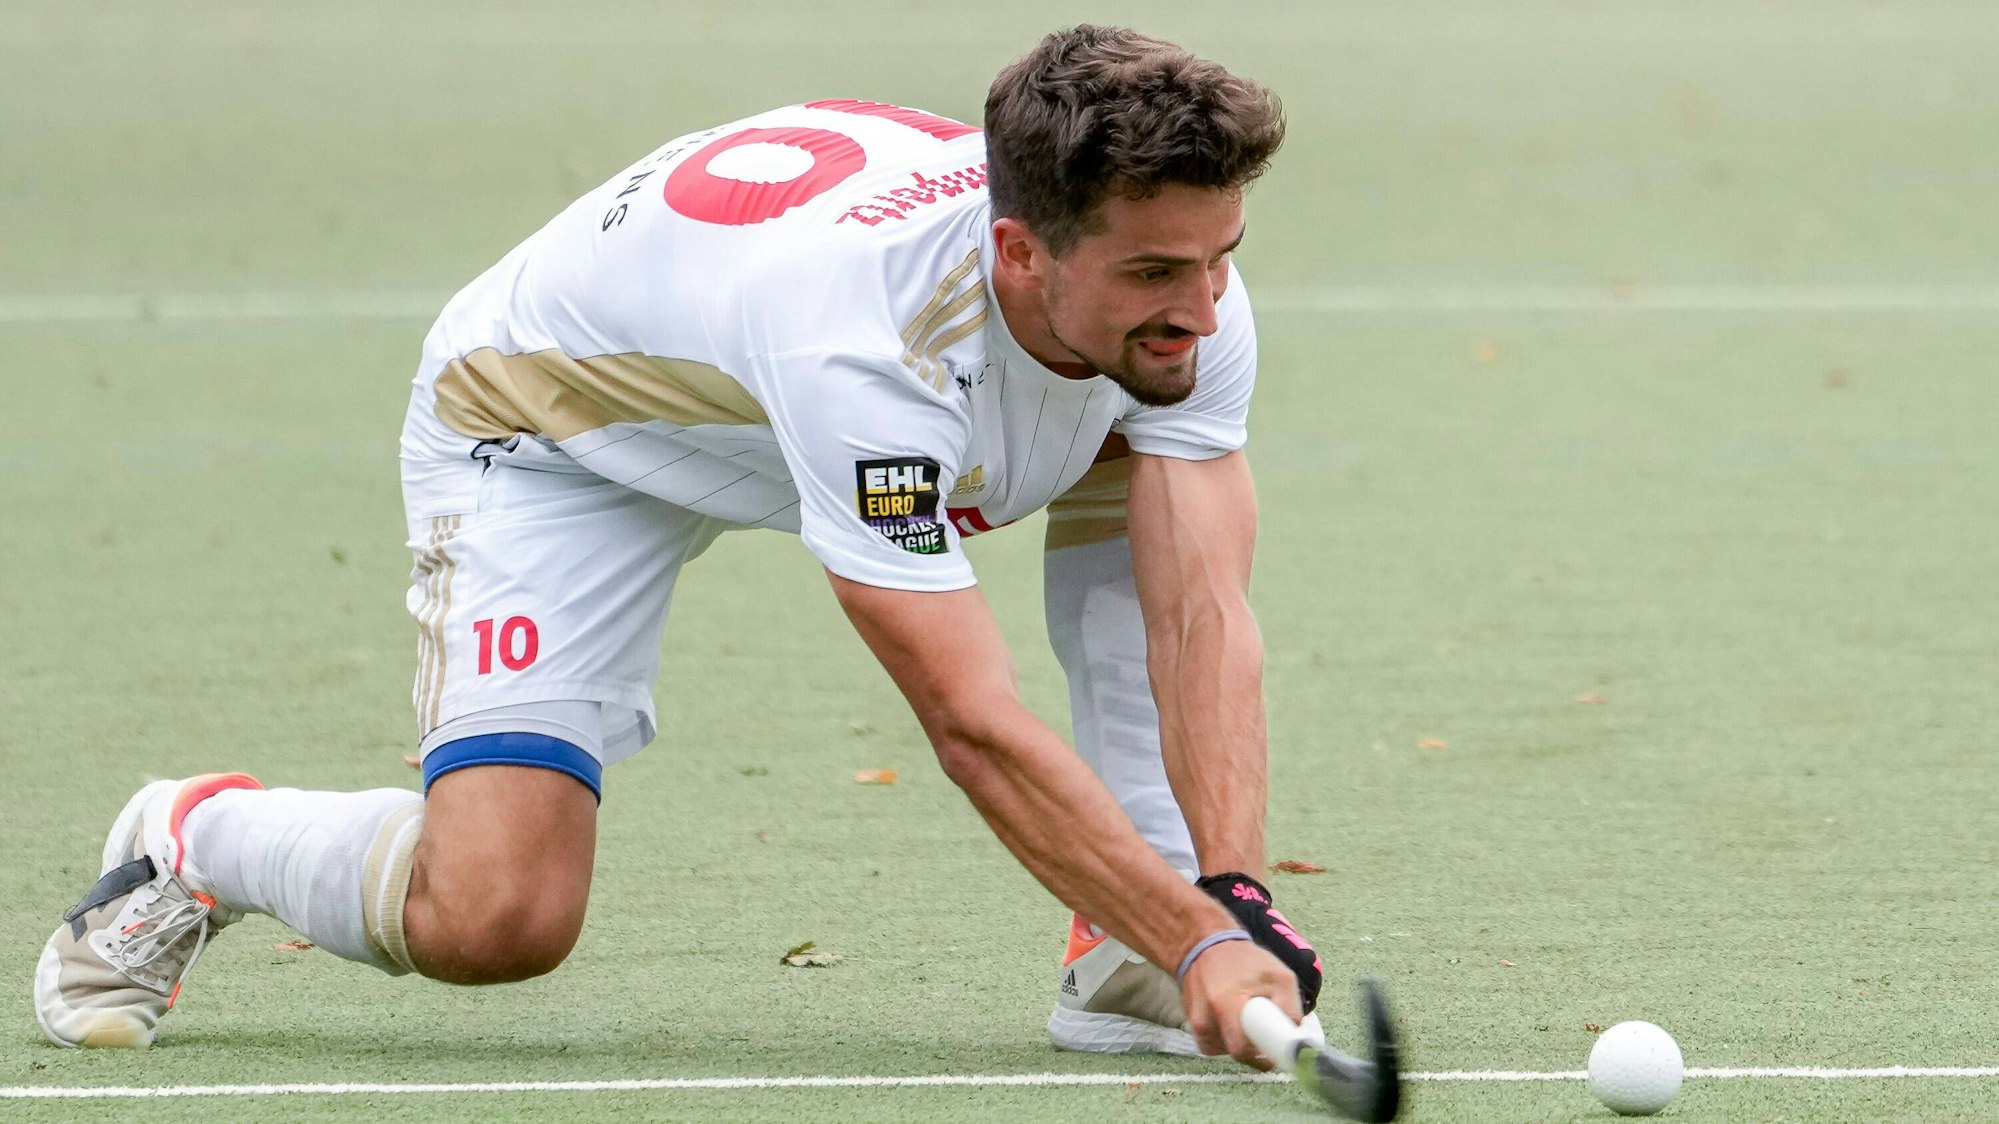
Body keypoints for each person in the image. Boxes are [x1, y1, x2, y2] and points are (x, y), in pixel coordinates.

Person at [34, 24, 1326, 1068]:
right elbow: (970, 721)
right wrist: (1204, 947)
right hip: (554, 431)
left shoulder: (1182, 293)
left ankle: (1129, 950)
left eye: (1221, 259)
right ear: (1019, 250)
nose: (1204, 307)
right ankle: (197, 838)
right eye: (1158, 272)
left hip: (756, 377)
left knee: (1141, 412)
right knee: (498, 916)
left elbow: (1201, 612)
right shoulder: (864, 349)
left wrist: (1228, 900)